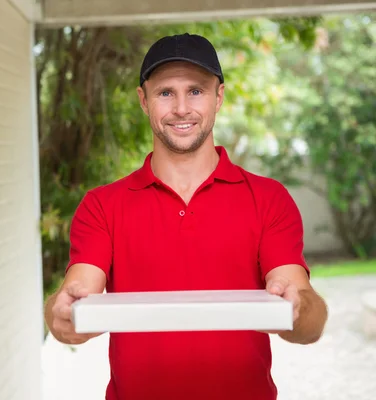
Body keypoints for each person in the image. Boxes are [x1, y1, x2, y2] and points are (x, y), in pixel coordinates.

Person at [43, 33, 328, 400]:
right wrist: (61, 311)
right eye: (165, 93)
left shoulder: (268, 199)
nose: (181, 108)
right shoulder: (103, 205)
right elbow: (75, 297)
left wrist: (298, 307)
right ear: (143, 100)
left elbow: (308, 321)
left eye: (195, 90)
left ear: (218, 96)